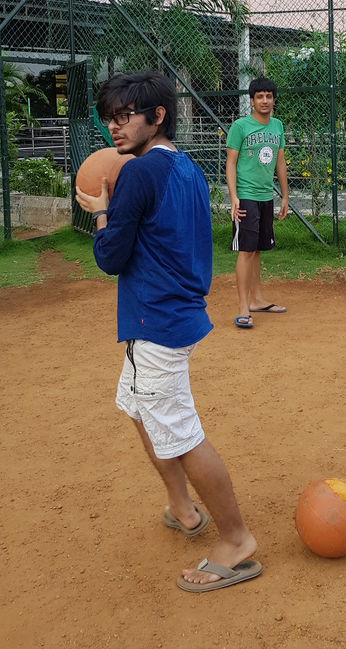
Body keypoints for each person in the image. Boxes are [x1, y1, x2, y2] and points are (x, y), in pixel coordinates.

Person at [75, 69, 260, 592]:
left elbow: (111, 258)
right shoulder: (187, 169)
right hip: (174, 313)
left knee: (180, 434)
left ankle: (238, 543)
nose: (115, 127)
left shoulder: (137, 174)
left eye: (125, 115)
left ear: (157, 116)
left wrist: (101, 215)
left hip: (155, 320)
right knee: (136, 405)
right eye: (110, 117)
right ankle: (183, 507)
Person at [225, 77, 289, 329]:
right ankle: (243, 307)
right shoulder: (240, 127)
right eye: (260, 96)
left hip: (265, 196)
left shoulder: (277, 126)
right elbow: (230, 163)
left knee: (258, 248)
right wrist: (233, 197)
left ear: (273, 99)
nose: (265, 100)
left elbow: (280, 162)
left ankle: (258, 300)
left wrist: (284, 195)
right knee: (246, 250)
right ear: (251, 100)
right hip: (246, 196)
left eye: (269, 96)